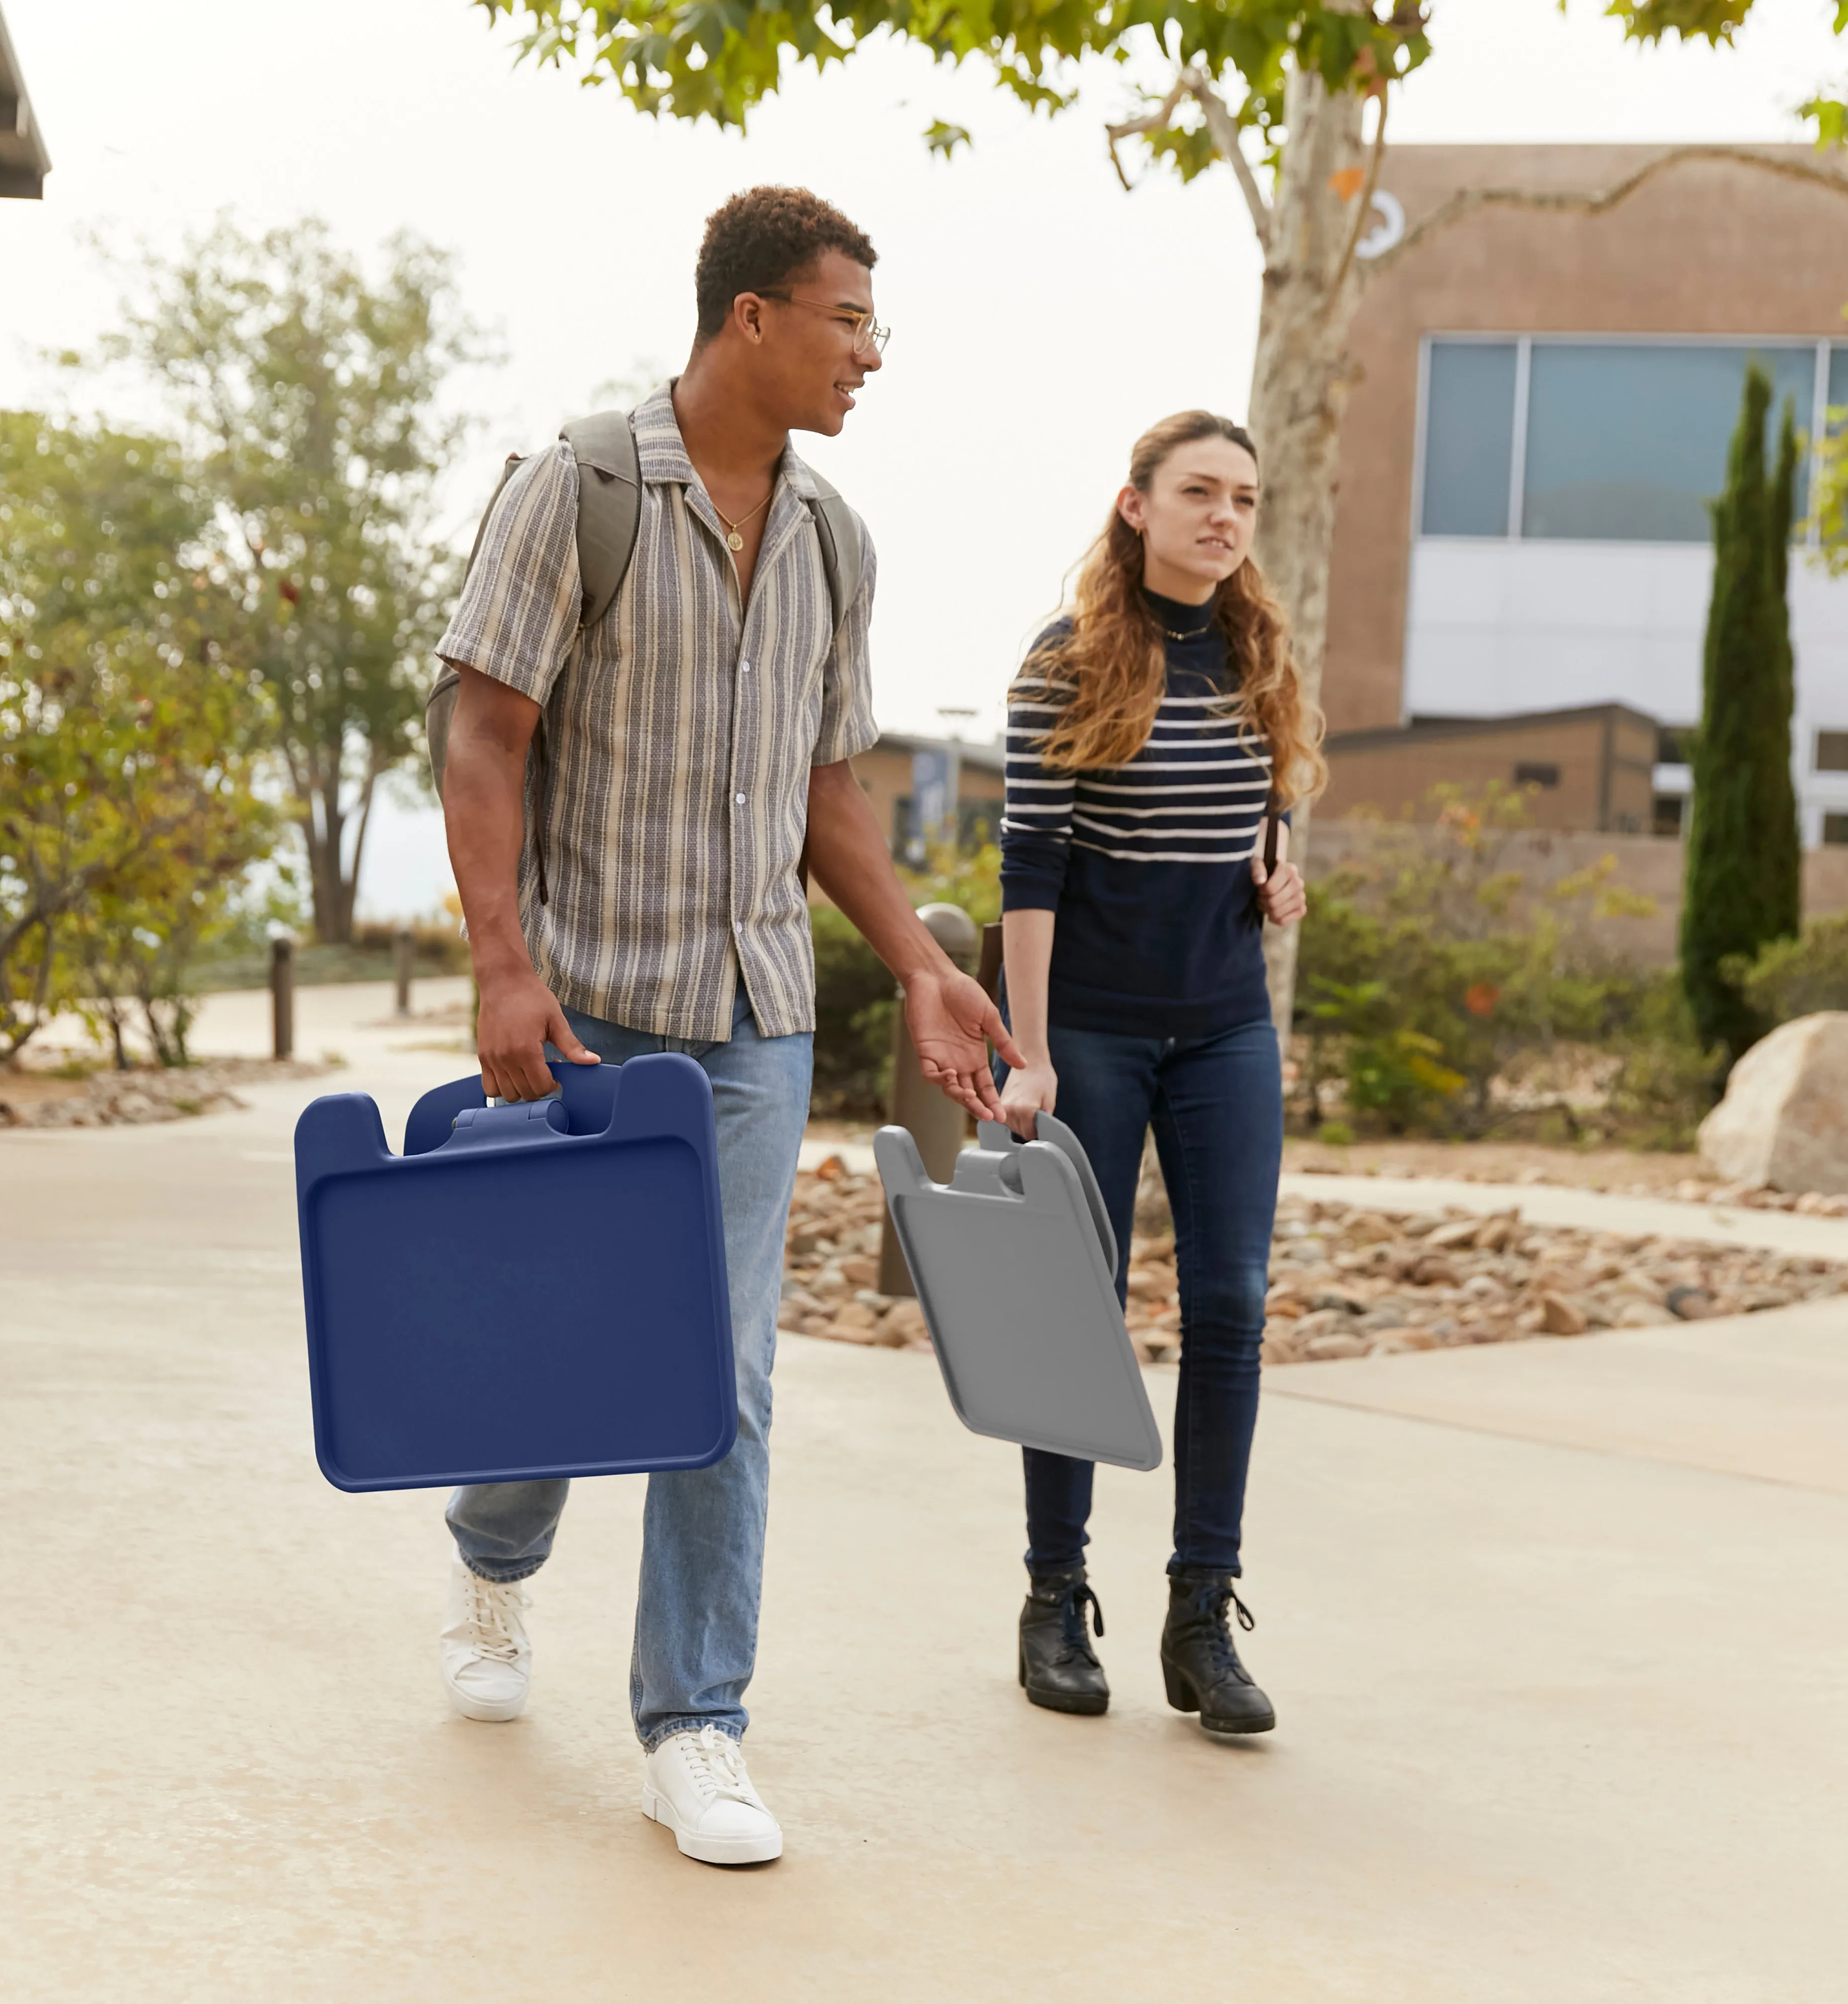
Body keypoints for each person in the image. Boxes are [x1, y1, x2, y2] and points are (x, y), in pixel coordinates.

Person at [432, 186, 1018, 1867]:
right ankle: (495, 1565)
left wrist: (911, 956)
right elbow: (487, 735)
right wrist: (501, 964)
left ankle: (695, 1722)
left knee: (722, 1371)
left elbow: (830, 794)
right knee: (563, 1347)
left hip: (755, 1018)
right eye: (850, 322)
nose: (870, 358)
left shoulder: (837, 537)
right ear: (750, 316)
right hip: (591, 998)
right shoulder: (582, 492)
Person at [995, 409, 1323, 1733]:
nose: (1224, 517)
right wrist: (1027, 1055)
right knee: (1074, 1311)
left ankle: (1203, 1613)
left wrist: (1280, 870)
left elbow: (1265, 813)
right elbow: (1031, 868)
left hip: (1227, 1025)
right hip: (1090, 1029)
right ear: (1136, 505)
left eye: (1243, 498)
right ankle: (1056, 1594)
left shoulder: (1258, 653)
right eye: (1198, 491)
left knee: (1232, 1306)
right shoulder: (1064, 661)